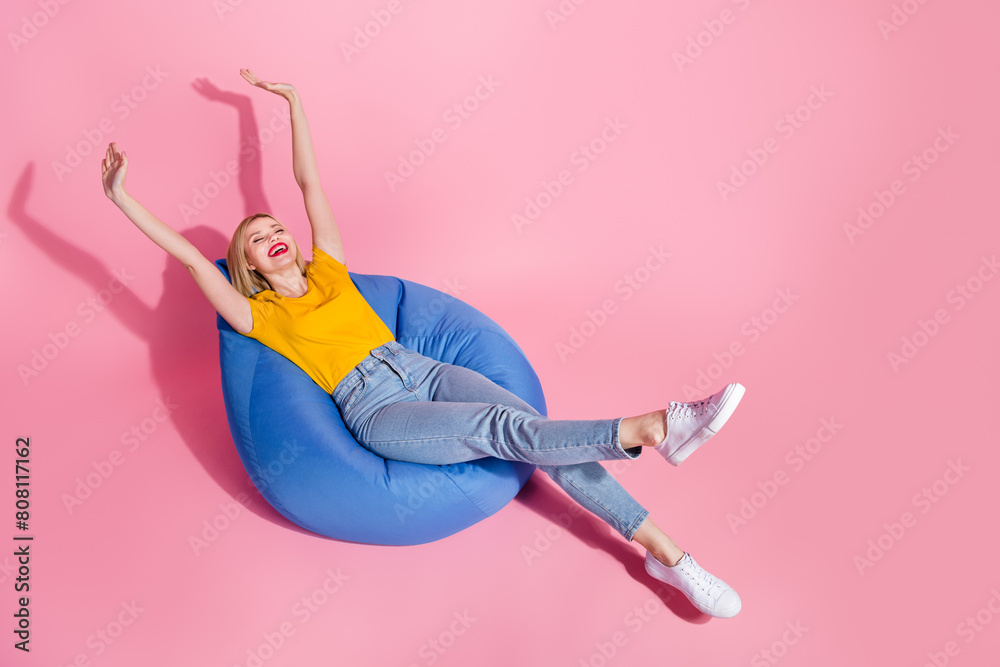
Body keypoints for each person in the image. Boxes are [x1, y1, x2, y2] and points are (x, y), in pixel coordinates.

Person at [101, 69, 747, 619]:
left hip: (423, 370)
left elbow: (309, 185)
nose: (272, 233)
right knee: (505, 425)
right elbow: (190, 259)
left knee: (530, 427)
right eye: (254, 238)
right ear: (245, 264)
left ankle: (671, 557)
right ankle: (656, 426)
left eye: (274, 227)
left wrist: (291, 103)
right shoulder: (257, 315)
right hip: (374, 407)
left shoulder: (331, 268)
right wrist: (123, 196)